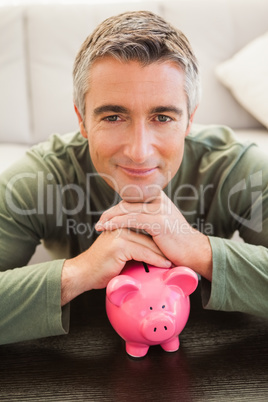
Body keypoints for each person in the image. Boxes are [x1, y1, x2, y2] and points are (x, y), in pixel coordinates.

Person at [0, 11, 267, 346]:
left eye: (162, 117)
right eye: (113, 117)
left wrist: (200, 250)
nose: (139, 151)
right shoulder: (38, 179)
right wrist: (79, 272)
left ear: (188, 120)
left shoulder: (238, 169)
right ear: (82, 120)